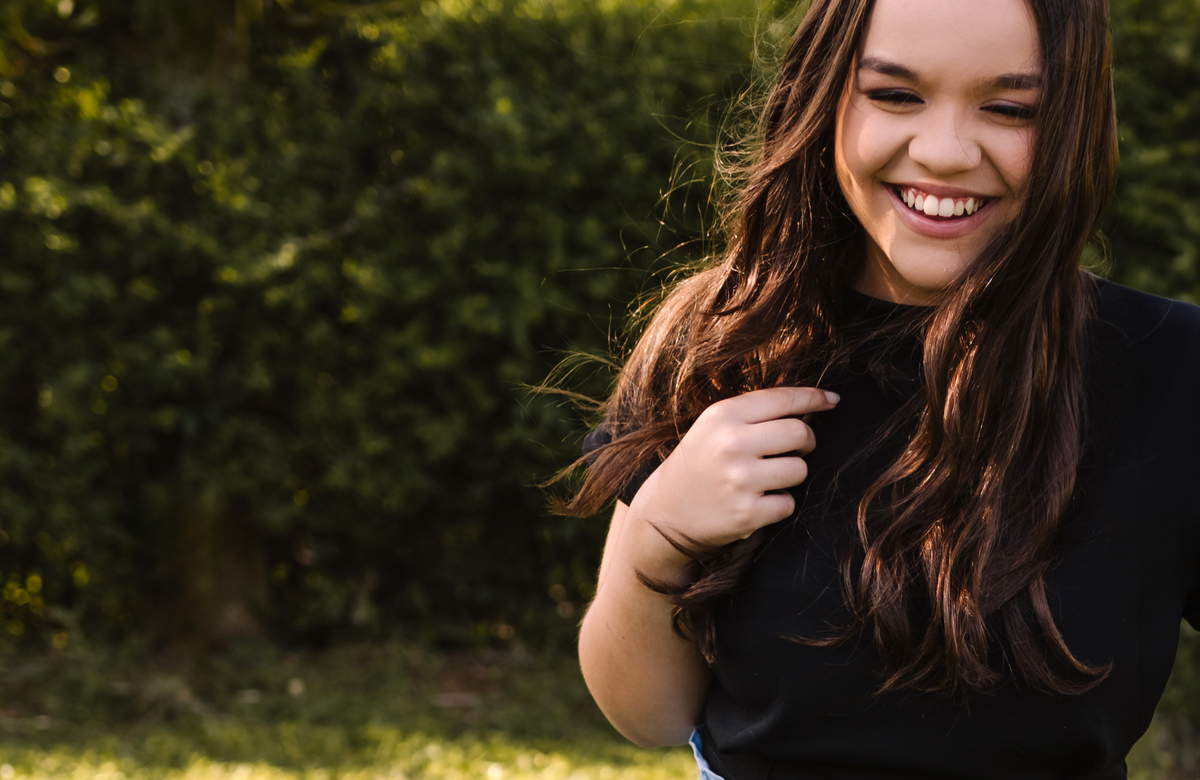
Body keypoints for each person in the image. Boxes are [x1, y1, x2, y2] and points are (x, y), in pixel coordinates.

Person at [564, 0, 1200, 777]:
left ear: (1072, 120)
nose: (943, 151)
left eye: (1009, 108)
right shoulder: (719, 338)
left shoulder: (1169, 368)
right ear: (824, 94)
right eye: (895, 95)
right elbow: (648, 713)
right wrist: (661, 533)